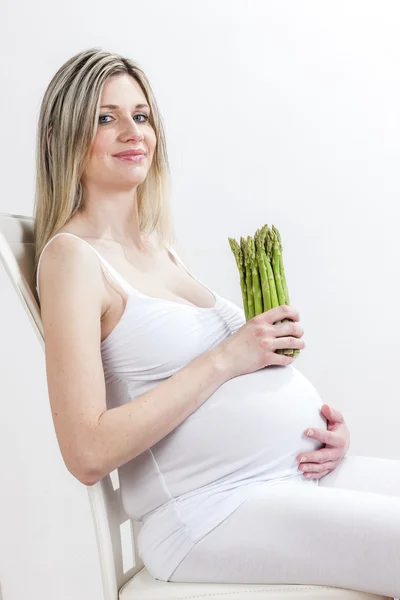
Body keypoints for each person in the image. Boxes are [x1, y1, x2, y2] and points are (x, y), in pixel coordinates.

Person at [34, 48, 400, 597]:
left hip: (286, 475)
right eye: (105, 117)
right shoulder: (72, 260)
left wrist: (311, 428)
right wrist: (229, 356)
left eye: (141, 114)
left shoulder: (159, 247)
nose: (132, 131)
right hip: (207, 512)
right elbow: (86, 454)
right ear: (64, 136)